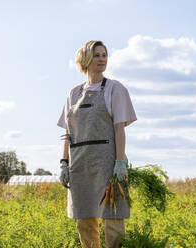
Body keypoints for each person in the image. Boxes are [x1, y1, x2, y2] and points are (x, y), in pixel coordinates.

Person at [57, 40, 137, 248]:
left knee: (112, 219)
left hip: (107, 163)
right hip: (80, 165)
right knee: (84, 221)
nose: (102, 59)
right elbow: (68, 132)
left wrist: (120, 162)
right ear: (85, 59)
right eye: (97, 55)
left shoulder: (115, 89)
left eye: (104, 55)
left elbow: (119, 128)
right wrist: (63, 163)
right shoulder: (73, 93)